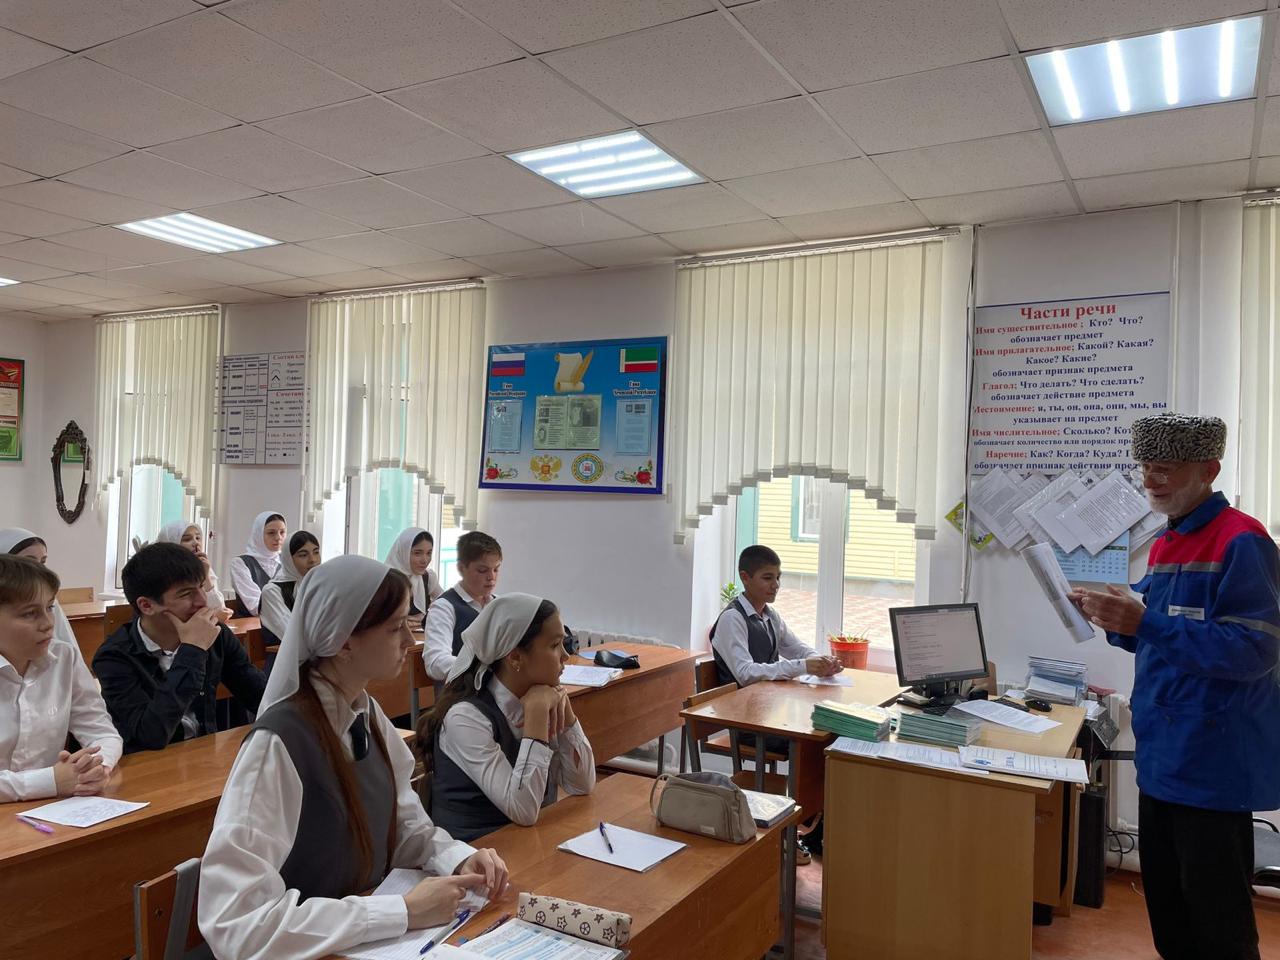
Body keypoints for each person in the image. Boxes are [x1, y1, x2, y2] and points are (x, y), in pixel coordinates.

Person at [198, 555, 508, 960]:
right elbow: (236, 923)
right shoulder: (278, 744)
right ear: (344, 641)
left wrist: (456, 858)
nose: (409, 641)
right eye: (395, 627)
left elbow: (401, 824)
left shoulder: (366, 714)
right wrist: (401, 911)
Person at [1070, 413, 1280, 960]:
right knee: (1170, 916)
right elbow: (1158, 636)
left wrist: (1146, 623)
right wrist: (1112, 618)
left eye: (1166, 468)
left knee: (1219, 927)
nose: (1151, 480)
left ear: (1209, 470)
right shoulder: (1169, 541)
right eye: (1146, 467)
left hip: (1212, 764)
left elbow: (1255, 651)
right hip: (1162, 758)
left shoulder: (1243, 540)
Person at [418, 594, 595, 841]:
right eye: (555, 645)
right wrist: (536, 717)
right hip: (475, 851)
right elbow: (523, 811)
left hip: (523, 843)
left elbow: (582, 784)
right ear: (515, 657)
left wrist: (565, 710)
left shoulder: (541, 696)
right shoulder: (465, 717)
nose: (565, 655)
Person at [93, 543, 267, 753]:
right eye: (186, 594)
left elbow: (259, 696)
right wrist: (193, 650)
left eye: (201, 586)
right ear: (147, 605)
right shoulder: (113, 657)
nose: (202, 601)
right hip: (148, 764)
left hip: (202, 756)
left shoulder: (215, 634)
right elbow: (151, 735)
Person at [0, 555, 122, 801]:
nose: (48, 624)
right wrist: (50, 781)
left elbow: (102, 732)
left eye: (50, 608)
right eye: (29, 614)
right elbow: (54, 781)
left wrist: (97, 768)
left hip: (51, 808)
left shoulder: (64, 657)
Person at [710, 545, 843, 688]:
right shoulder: (732, 618)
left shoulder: (771, 616)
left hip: (767, 698)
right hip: (738, 701)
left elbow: (797, 649)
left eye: (778, 577)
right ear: (745, 577)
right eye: (768, 578)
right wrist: (804, 666)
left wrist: (823, 662)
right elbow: (745, 674)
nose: (776, 585)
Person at [423, 532, 501, 684]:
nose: (491, 577)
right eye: (482, 570)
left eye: (496, 569)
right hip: (462, 693)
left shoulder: (499, 605)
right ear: (461, 568)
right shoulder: (444, 607)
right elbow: (435, 661)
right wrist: (482, 669)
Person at [0, 527, 79, 648]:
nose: (38, 569)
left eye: (42, 562)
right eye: (28, 562)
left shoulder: (47, 599)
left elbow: (65, 646)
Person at [260, 531, 322, 653]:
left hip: (320, 654)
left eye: (316, 552)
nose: (313, 560)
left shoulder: (320, 585)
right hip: (286, 659)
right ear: (288, 559)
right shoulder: (272, 591)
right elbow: (292, 635)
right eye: (303, 555)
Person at [156, 521, 232, 619]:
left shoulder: (203, 567)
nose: (196, 543)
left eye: (198, 538)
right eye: (187, 539)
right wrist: (214, 616)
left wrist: (206, 576)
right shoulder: (164, 572)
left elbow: (221, 609)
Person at [229, 511, 286, 617]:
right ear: (258, 534)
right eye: (271, 533)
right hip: (252, 625)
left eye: (282, 532)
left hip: (285, 622)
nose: (278, 537)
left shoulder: (287, 561)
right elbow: (255, 606)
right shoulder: (240, 563)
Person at [384, 527, 442, 626]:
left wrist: (429, 616)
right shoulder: (385, 579)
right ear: (403, 552)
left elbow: (447, 604)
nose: (425, 560)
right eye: (417, 553)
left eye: (429, 553)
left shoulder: (427, 577)